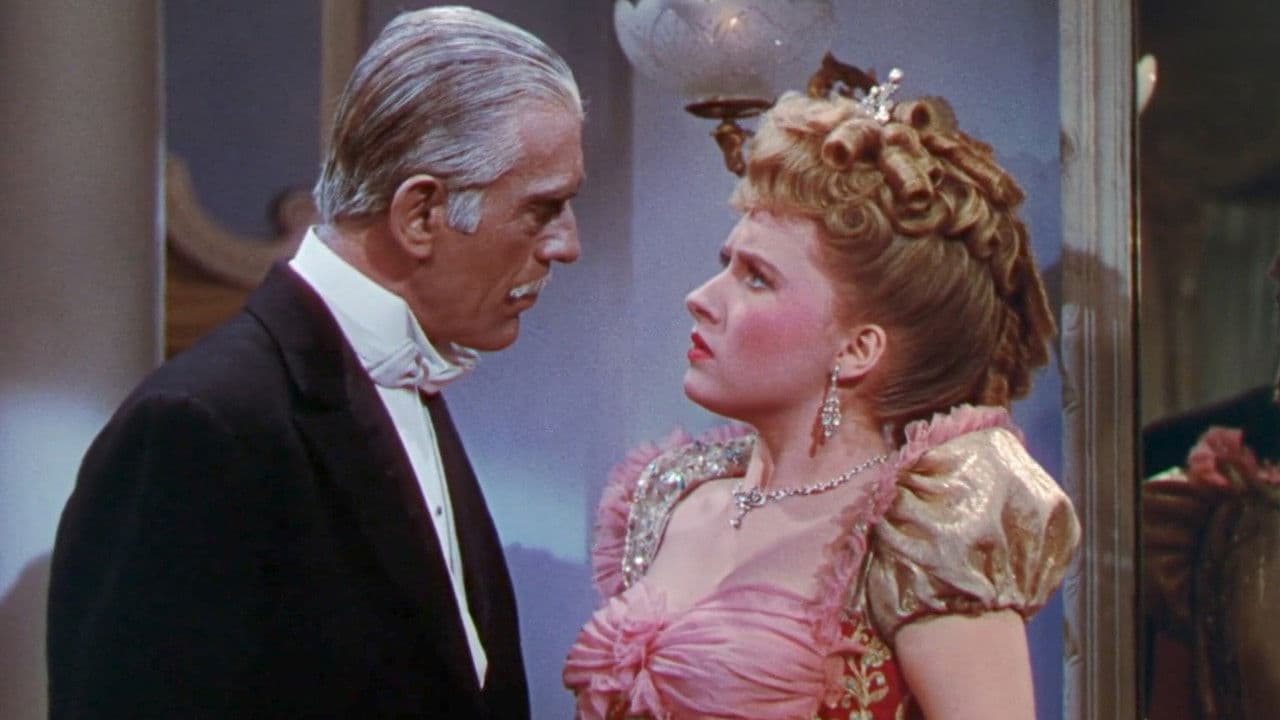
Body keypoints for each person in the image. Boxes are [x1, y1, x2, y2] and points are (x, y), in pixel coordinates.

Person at [47, 7, 583, 719]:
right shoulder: (198, 427)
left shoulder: (404, 380)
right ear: (421, 215)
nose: (567, 245)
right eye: (543, 209)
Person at [563, 69, 1080, 719]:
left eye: (756, 278)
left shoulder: (923, 531)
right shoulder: (672, 496)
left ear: (858, 349)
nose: (701, 298)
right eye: (727, 264)